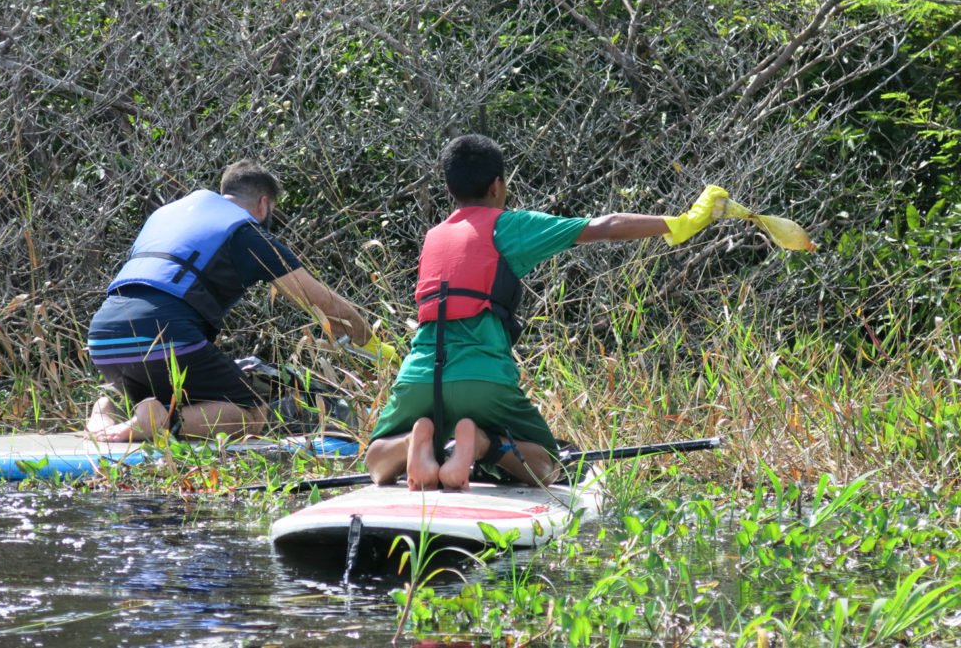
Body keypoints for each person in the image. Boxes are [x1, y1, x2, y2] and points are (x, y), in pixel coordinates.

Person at [364, 134, 728, 491]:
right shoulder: (509, 226)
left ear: (448, 190)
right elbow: (606, 225)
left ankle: (411, 445)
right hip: (484, 379)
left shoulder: (433, 237)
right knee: (548, 465)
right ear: (497, 186)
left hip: (419, 376)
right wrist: (683, 222)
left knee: (376, 462)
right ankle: (477, 444)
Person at [86, 159, 395, 442]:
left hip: (102, 337)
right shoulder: (245, 233)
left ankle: (105, 411)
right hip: (164, 334)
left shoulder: (166, 214)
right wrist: (375, 346)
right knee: (251, 413)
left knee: (167, 390)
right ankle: (162, 423)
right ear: (263, 204)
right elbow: (320, 302)